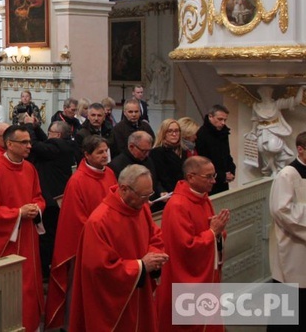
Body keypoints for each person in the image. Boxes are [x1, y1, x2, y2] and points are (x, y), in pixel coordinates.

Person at [69, 165, 167, 331]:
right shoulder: (99, 221)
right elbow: (99, 268)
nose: (147, 201)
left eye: (149, 195)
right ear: (123, 189)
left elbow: (155, 236)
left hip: (140, 292)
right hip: (115, 304)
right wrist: (141, 266)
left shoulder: (141, 208)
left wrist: (155, 257)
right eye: (143, 195)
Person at [0, 125, 45, 332]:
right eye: (24, 142)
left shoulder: (29, 168)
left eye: (29, 142)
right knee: (12, 288)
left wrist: (36, 208)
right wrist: (18, 213)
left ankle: (29, 325)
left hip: (28, 238)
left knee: (29, 287)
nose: (29, 146)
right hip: (7, 241)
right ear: (9, 144)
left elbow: (38, 197)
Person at [45, 135, 117, 330]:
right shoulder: (77, 181)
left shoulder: (109, 174)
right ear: (86, 154)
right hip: (86, 246)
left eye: (106, 151)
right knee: (80, 290)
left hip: (110, 241)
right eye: (100, 152)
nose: (105, 155)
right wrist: (101, 236)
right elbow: (76, 219)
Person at [157, 156, 230, 331]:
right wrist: (213, 232)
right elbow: (185, 247)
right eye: (209, 177)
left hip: (206, 279)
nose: (213, 181)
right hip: (186, 282)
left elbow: (213, 233)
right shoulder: (178, 206)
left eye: (213, 176)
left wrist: (218, 233)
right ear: (191, 177)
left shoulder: (203, 198)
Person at [26, 119, 75, 277]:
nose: (47, 135)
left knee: (47, 236)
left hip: (51, 200)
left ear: (58, 135)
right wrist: (37, 127)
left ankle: (46, 271)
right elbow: (45, 141)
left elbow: (35, 145)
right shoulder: (65, 144)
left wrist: (28, 126)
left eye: (50, 133)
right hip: (59, 197)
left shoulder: (57, 146)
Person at [268, 130, 306, 331]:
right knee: (291, 301)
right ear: (300, 150)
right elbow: (280, 210)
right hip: (294, 245)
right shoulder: (288, 174)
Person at [247, 85, 306, 175]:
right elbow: (255, 119)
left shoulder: (277, 104)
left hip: (275, 130)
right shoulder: (256, 106)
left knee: (273, 148)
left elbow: (296, 101)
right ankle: (273, 170)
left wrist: (301, 89)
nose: (265, 95)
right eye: (263, 93)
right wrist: (253, 131)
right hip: (262, 131)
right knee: (262, 150)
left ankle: (277, 169)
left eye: (267, 93)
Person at [196, 104, 236, 195]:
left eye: (225, 120)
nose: (223, 123)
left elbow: (227, 156)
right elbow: (204, 161)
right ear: (210, 116)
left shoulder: (223, 132)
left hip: (224, 180)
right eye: (220, 119)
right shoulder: (202, 134)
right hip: (210, 180)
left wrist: (232, 171)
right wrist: (222, 176)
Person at [150, 118, 186, 193]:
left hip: (182, 191)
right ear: (163, 133)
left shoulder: (183, 151)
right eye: (170, 131)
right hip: (166, 193)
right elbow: (158, 177)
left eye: (176, 131)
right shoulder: (156, 152)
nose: (174, 134)